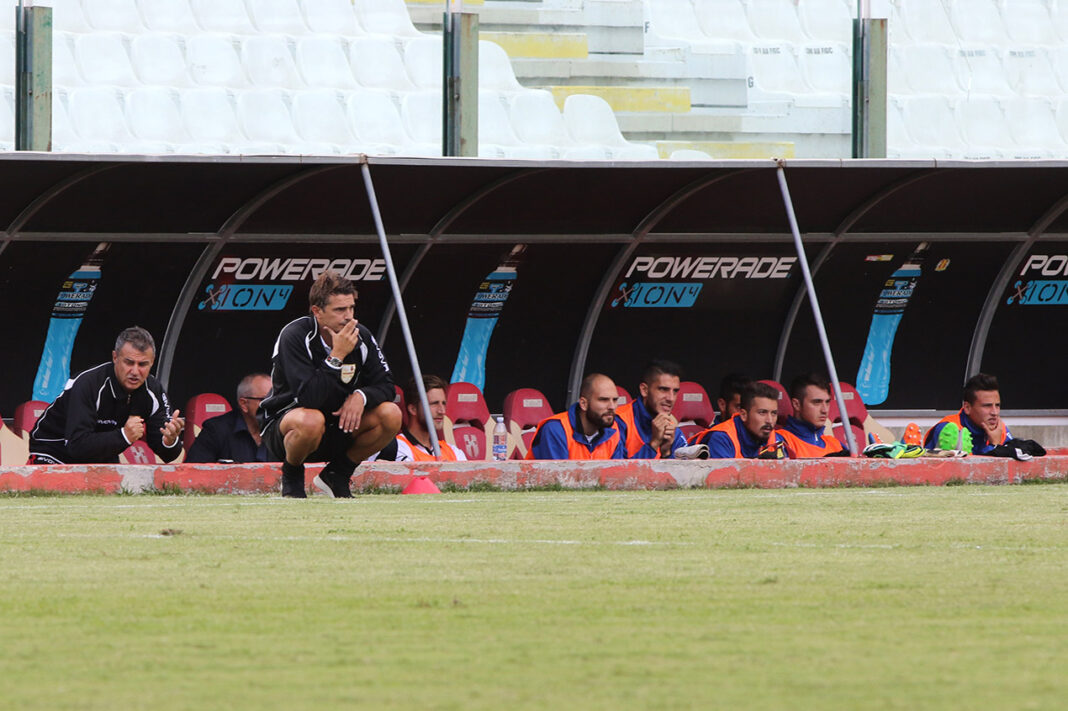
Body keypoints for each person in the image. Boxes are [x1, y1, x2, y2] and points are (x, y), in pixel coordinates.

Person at [259, 270, 402, 498]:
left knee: (391, 414)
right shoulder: (295, 335)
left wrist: (361, 396)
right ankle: (292, 474)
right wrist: (336, 356)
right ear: (317, 312)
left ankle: (337, 474)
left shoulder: (361, 336)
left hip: (339, 425)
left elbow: (387, 386)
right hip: (290, 428)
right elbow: (310, 398)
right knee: (312, 419)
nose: (348, 317)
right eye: (339, 310)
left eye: (351, 308)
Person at [28, 326, 184, 464]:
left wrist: (170, 442)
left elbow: (168, 455)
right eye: (129, 362)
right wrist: (124, 435)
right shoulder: (87, 383)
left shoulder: (154, 391)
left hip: (102, 454)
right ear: (115, 357)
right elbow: (76, 445)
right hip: (53, 449)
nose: (135, 372)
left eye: (143, 364)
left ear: (152, 362)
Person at [527, 373, 627, 460]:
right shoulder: (556, 429)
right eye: (603, 400)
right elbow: (556, 481)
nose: (612, 406)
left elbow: (616, 478)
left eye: (615, 400)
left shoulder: (613, 431)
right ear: (583, 404)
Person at [370, 375, 467, 462]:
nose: (441, 411)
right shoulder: (395, 448)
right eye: (434, 404)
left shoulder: (453, 451)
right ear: (413, 409)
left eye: (443, 403)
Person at [186, 373, 272, 463]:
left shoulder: (281, 430)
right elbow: (194, 471)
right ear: (244, 404)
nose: (274, 405)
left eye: (276, 399)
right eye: (267, 400)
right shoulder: (216, 430)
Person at [688, 382, 786, 459]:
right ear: (743, 415)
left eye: (774, 413)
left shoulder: (775, 438)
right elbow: (724, 482)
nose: (769, 420)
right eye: (762, 413)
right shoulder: (722, 438)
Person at [614, 359, 688, 459]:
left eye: (675, 391)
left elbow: (684, 472)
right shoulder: (619, 421)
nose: (671, 398)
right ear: (644, 390)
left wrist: (666, 453)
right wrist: (654, 444)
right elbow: (616, 472)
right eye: (663, 389)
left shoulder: (672, 427)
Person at [923, 373, 1012, 454]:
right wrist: (994, 446)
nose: (994, 412)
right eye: (987, 406)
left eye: (997, 405)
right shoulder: (948, 429)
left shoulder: (1001, 429)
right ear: (967, 408)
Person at [776, 374, 845, 458]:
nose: (824, 410)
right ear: (796, 404)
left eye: (827, 402)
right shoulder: (780, 441)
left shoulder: (835, 444)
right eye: (817, 402)